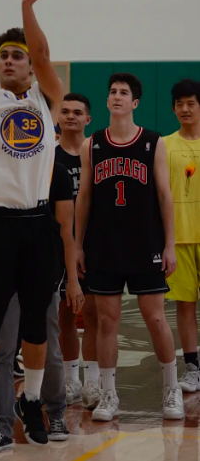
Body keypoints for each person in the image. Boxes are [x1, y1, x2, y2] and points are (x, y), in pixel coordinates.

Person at [0, 0, 84, 453]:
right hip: (0, 223)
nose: (8, 61)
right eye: (3, 54)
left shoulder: (46, 101)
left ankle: (31, 402)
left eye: (17, 55)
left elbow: (46, 55)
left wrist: (27, 9)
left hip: (39, 224)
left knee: (34, 322)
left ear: (29, 67)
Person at [75, 72, 185, 422]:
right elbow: (84, 197)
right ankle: (108, 395)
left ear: (135, 102)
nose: (117, 96)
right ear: (107, 101)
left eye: (124, 92)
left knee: (155, 318)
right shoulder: (91, 144)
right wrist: (78, 246)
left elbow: (165, 196)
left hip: (145, 243)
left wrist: (170, 244)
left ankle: (172, 390)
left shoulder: (153, 142)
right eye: (113, 92)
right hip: (104, 245)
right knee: (107, 322)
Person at [0, 157, 82, 448]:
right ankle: (1, 422)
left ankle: (55, 412)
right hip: (6, 270)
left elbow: (65, 231)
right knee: (3, 350)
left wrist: (71, 280)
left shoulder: (55, 171)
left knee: (51, 351)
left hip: (44, 273)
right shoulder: (2, 165)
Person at [56, 94, 101, 411]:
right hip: (57, 247)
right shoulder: (47, 156)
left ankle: (93, 381)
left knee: (95, 315)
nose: (70, 116)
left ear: (88, 120)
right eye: (65, 112)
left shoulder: (97, 154)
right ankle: (70, 379)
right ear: (58, 118)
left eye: (78, 112)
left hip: (94, 245)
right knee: (64, 316)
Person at [163, 79, 200, 393]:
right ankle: (193, 368)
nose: (185, 109)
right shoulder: (164, 145)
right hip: (178, 240)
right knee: (185, 306)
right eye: (179, 104)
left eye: (191, 103)